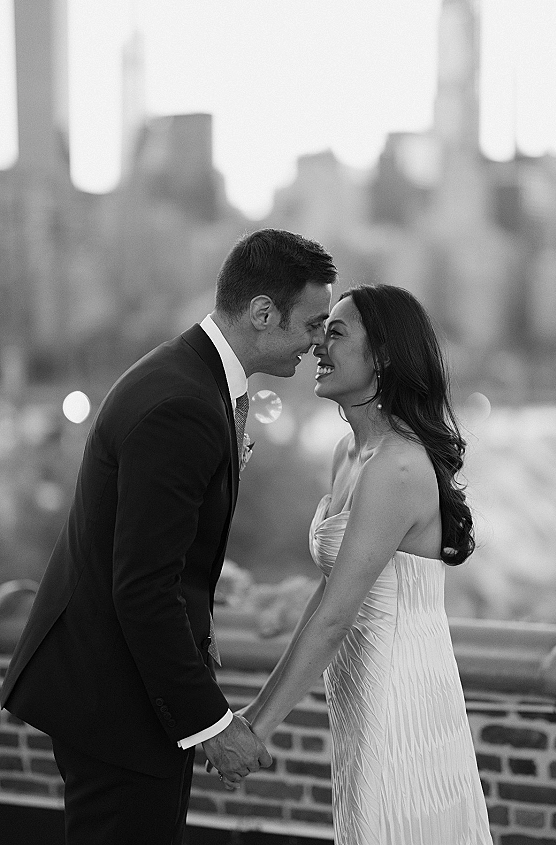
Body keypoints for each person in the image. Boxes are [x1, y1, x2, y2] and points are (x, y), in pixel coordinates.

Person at [0, 228, 336, 845]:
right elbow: (143, 588)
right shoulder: (183, 403)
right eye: (313, 324)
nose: (318, 344)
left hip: (126, 695)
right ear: (263, 313)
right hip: (115, 705)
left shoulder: (191, 378)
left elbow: (171, 555)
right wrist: (213, 724)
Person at [238, 285, 493, 844]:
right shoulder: (347, 455)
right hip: (356, 698)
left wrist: (256, 728)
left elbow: (335, 620)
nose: (317, 347)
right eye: (320, 331)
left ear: (382, 357)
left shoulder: (398, 468)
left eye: (336, 333)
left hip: (401, 700)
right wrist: (250, 715)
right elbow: (327, 595)